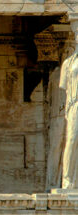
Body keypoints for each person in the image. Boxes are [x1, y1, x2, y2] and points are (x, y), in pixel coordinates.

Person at [59, 46, 78, 189]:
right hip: (74, 104)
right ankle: (67, 181)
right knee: (72, 139)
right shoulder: (68, 63)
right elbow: (64, 88)